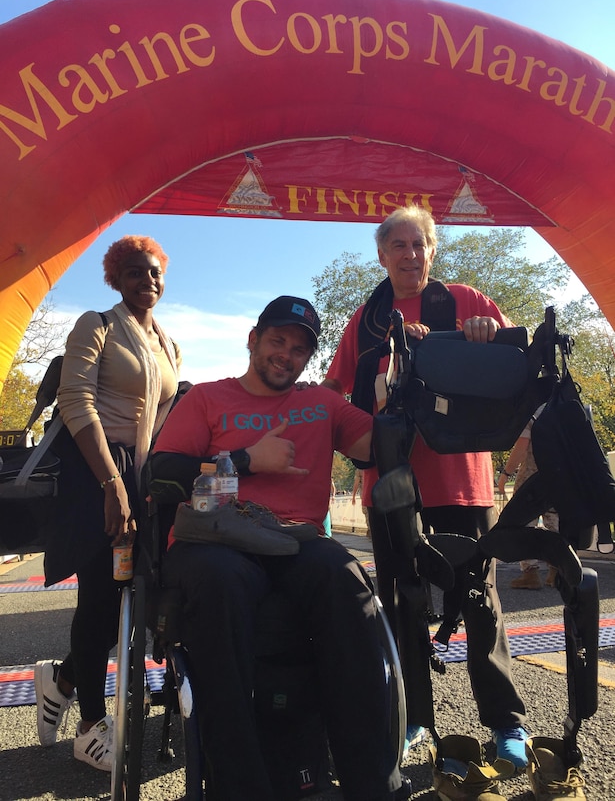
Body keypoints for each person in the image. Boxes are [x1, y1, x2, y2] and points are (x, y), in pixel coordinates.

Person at [150, 296, 407, 801]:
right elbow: (162, 473)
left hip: (295, 539)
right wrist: (244, 460)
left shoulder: (322, 404)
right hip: (217, 537)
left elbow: (380, 445)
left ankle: (368, 782)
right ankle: (240, 788)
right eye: (277, 341)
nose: (285, 355)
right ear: (253, 340)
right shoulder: (206, 398)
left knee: (345, 578)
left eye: (299, 349)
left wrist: (405, 379)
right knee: (222, 582)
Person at [324, 206, 529, 769]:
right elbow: (332, 391)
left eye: (420, 244)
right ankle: (414, 715)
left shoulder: (467, 302)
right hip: (388, 483)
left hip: (462, 480)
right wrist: (367, 413)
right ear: (382, 255)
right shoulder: (366, 321)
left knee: (479, 599)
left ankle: (507, 721)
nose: (410, 255)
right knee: (401, 601)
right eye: (399, 246)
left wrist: (486, 341)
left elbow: (516, 370)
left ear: (432, 250)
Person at [34, 235, 180, 770]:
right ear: (116, 278)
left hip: (140, 476)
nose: (149, 281)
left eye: (156, 272)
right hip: (95, 471)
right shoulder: (95, 325)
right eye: (137, 272)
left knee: (130, 597)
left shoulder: (167, 343)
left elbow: (166, 416)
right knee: (99, 594)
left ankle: (66, 676)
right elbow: (76, 399)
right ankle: (92, 723)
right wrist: (111, 484)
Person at [497, 404, 559, 589]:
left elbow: (522, 447)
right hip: (558, 475)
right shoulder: (562, 409)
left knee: (523, 522)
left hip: (531, 475)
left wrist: (506, 474)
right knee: (555, 520)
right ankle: (557, 569)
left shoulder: (533, 411)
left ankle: (530, 573)